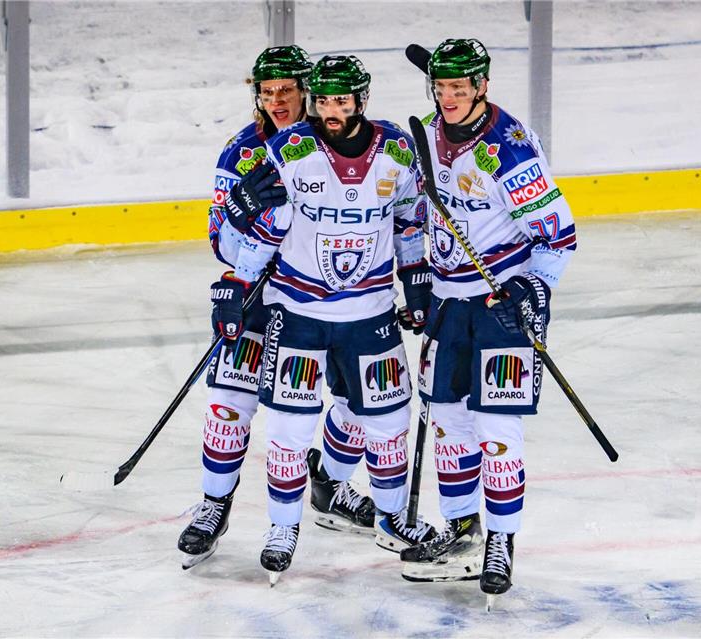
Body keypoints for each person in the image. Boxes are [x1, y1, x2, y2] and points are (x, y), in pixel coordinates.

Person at [224, 54, 437, 584]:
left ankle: (393, 517)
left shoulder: (396, 150)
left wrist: (416, 277)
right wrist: (236, 281)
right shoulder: (288, 149)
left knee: (387, 422)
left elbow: (411, 218)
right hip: (297, 313)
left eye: (341, 101)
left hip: (369, 315)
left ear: (361, 100)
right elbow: (261, 230)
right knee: (290, 428)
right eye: (322, 101)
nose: (331, 111)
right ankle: (282, 527)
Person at [177, 46, 374, 571]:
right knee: (227, 406)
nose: (277, 101)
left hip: (331, 299)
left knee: (360, 402)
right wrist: (241, 211)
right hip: (260, 303)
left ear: (308, 90)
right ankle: (213, 506)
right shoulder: (241, 153)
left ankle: (330, 482)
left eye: (287, 90)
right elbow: (221, 243)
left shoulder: (337, 141)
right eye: (267, 93)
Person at [397, 39, 577, 610]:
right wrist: (418, 276)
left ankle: (501, 539)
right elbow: (411, 213)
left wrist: (531, 288)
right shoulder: (424, 136)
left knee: (497, 431)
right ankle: (462, 529)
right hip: (449, 308)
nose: (448, 98)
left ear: (481, 87)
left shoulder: (509, 148)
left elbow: (558, 235)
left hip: (500, 306)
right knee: (449, 424)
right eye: (441, 88)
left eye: (459, 88)